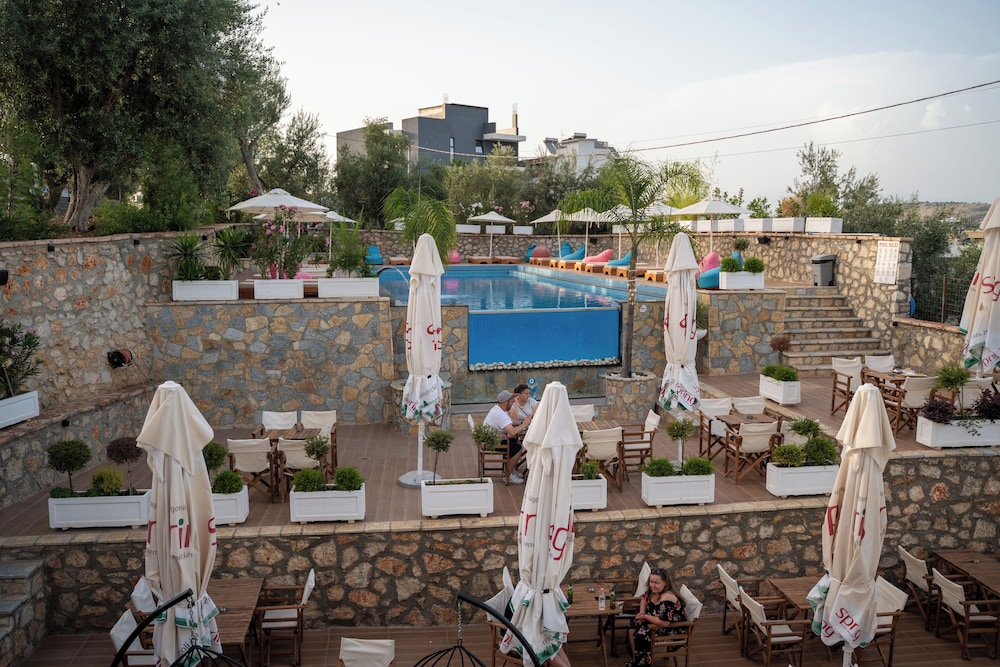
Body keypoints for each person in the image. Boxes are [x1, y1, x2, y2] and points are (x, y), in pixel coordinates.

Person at [625, 567, 686, 667]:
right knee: (632, 627)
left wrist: (645, 616)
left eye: (656, 583)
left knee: (641, 635)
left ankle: (643, 664)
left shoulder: (668, 597)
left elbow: (664, 623)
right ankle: (637, 660)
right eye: (651, 582)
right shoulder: (654, 591)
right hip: (656, 622)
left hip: (671, 629)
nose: (652, 585)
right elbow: (644, 598)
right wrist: (642, 611)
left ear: (665, 582)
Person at [484, 390, 530, 484]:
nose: (513, 403)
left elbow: (509, 421)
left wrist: (521, 422)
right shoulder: (500, 414)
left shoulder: (498, 409)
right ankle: (508, 475)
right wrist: (524, 424)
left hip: (493, 439)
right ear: (506, 402)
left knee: (516, 442)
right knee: (517, 449)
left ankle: (511, 469)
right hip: (493, 442)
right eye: (512, 401)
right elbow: (512, 432)